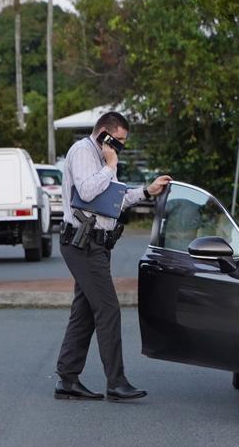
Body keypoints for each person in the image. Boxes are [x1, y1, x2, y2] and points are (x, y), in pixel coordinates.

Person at [54, 111, 171, 402]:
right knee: (108, 310)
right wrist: (110, 165)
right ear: (104, 132)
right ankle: (116, 383)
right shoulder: (84, 151)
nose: (120, 146)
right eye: (117, 140)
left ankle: (67, 380)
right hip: (82, 244)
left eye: (122, 142)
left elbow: (113, 199)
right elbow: (88, 191)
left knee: (84, 313)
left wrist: (147, 190)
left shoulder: (104, 158)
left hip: (97, 245)